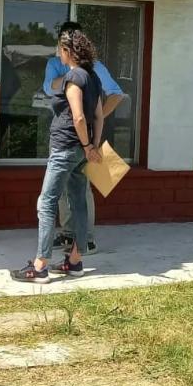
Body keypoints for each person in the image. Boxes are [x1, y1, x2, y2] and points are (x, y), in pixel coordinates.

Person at [11, 28, 104, 283]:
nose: (57, 54)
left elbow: (79, 116)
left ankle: (40, 265)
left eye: (59, 50)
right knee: (78, 202)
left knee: (47, 202)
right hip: (81, 151)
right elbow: (99, 115)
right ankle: (75, 261)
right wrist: (92, 146)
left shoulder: (73, 78)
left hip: (65, 148)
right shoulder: (93, 77)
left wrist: (86, 145)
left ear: (68, 51)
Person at [43, 20, 124, 255]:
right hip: (63, 134)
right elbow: (48, 87)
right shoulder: (54, 63)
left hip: (86, 136)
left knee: (82, 188)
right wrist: (70, 76)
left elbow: (117, 95)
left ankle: (86, 238)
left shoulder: (96, 67)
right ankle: (68, 234)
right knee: (62, 189)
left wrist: (94, 117)